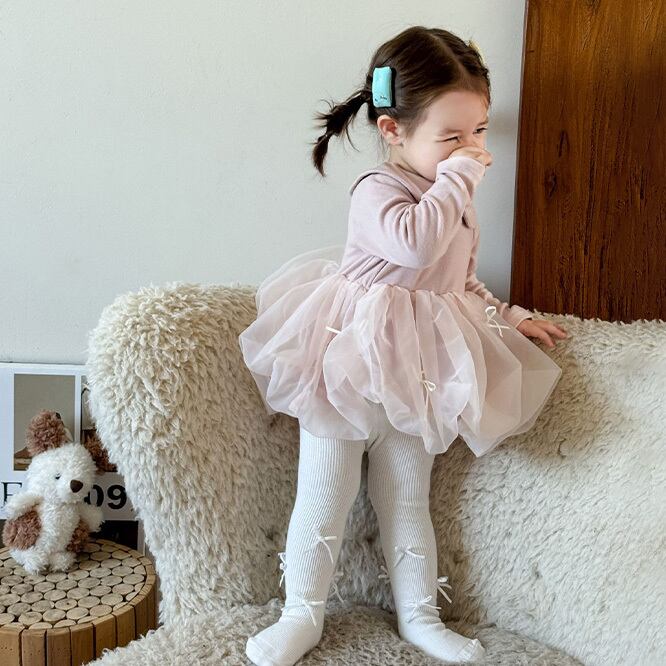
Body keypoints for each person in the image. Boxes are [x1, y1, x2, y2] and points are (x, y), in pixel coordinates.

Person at [238, 25, 568, 666]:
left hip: (416, 375)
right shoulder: (378, 189)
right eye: (452, 137)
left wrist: (508, 316)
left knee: (407, 496)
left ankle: (420, 615)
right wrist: (458, 178)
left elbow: (460, 281)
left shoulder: (455, 201)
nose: (473, 151)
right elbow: (414, 244)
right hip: (347, 366)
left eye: (479, 132)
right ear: (393, 130)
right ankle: (301, 614)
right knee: (326, 494)